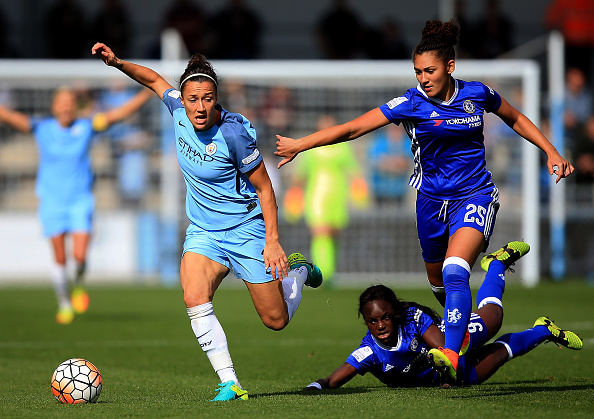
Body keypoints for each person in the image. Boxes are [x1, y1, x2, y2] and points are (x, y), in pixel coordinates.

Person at [275, 19, 574, 384]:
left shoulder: (478, 94)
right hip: (430, 203)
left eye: (429, 70)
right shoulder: (410, 103)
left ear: (450, 66)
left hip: (474, 194)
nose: (423, 78)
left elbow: (514, 117)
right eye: (417, 71)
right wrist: (299, 145)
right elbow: (353, 128)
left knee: (454, 270)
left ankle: (449, 353)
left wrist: (551, 151)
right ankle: (496, 270)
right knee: (439, 286)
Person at [91, 42, 323, 401]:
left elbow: (264, 189)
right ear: (182, 99)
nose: (199, 107)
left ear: (217, 99)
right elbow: (153, 78)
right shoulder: (177, 110)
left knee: (276, 321)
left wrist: (272, 241)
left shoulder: (233, 134)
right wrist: (118, 63)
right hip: (204, 232)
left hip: (246, 230)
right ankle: (230, 382)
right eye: (193, 98)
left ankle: (299, 272)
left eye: (207, 98)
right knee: (194, 296)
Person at [304, 242, 583, 390]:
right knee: (500, 355)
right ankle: (544, 330)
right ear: (366, 323)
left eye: (386, 317)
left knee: (494, 317)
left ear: (395, 312)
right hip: (445, 376)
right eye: (373, 321)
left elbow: (445, 348)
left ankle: (497, 263)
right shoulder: (369, 351)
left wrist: (446, 375)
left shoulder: (412, 319)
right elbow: (332, 380)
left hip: (455, 342)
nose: (381, 325)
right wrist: (315, 387)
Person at [0, 86, 153, 324]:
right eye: (61, 102)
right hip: (51, 201)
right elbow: (9, 116)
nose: (66, 107)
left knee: (79, 257)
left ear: (76, 107)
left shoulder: (87, 127)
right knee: (60, 258)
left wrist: (147, 93)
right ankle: (64, 303)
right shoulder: (41, 127)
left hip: (80, 200)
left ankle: (79, 283)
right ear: (54, 107)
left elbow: (118, 114)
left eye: (70, 102)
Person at [285, 114, 368, 284]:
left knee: (334, 233)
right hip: (317, 195)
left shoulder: (343, 148)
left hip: (337, 194)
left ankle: (331, 271)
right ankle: (324, 273)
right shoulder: (313, 148)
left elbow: (353, 170)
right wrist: (294, 193)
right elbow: (301, 174)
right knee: (320, 233)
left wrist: (359, 188)